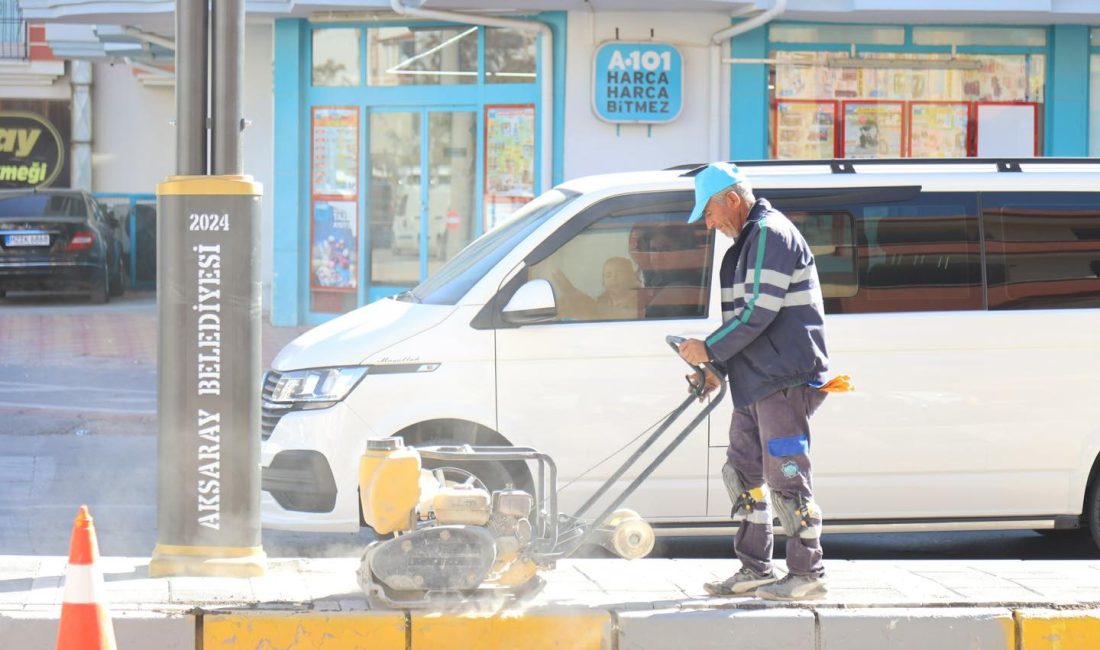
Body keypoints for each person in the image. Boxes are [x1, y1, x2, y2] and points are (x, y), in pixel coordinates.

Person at [677, 162, 831, 601]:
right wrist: (715, 368)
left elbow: (759, 311)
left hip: (784, 377)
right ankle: (755, 567)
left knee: (786, 473)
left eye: (707, 213)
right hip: (755, 378)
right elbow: (741, 325)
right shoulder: (741, 249)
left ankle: (807, 572)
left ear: (731, 197)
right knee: (742, 471)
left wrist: (708, 349)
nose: (708, 225)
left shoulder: (769, 235)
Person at [551, 256, 640, 320]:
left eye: (620, 273)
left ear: (632, 278)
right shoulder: (602, 300)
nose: (614, 278)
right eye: (608, 275)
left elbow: (632, 316)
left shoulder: (640, 301)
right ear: (603, 283)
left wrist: (589, 306)